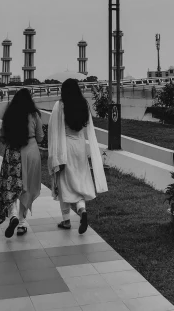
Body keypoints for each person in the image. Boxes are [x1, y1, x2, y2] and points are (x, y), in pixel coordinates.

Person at [48, 78, 107, 234]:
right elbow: (88, 128)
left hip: (65, 147)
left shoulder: (60, 105)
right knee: (79, 181)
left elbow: (53, 130)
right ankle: (82, 211)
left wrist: (53, 155)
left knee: (64, 183)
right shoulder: (83, 105)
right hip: (80, 146)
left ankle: (66, 220)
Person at [0, 88, 44, 237]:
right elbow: (40, 137)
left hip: (13, 154)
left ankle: (14, 215)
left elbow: (2, 135)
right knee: (26, 188)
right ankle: (22, 223)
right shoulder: (34, 115)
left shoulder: (9, 114)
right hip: (31, 153)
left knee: (11, 186)